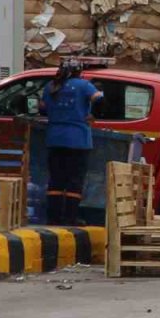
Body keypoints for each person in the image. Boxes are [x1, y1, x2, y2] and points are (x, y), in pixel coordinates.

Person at [41, 61, 103, 226]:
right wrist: (93, 115)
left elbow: (42, 108)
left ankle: (53, 218)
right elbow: (98, 98)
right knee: (74, 179)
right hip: (78, 140)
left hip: (54, 139)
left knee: (55, 179)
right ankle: (70, 217)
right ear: (79, 72)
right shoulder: (83, 85)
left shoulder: (51, 86)